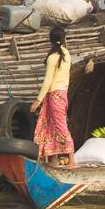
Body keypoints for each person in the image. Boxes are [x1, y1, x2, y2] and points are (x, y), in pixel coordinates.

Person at [31, 25, 74, 168]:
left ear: (50, 40)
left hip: (55, 94)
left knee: (60, 126)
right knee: (49, 125)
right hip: (62, 93)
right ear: (64, 39)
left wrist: (38, 100)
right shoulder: (66, 54)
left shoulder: (53, 57)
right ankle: (53, 159)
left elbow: (48, 80)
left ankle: (71, 160)